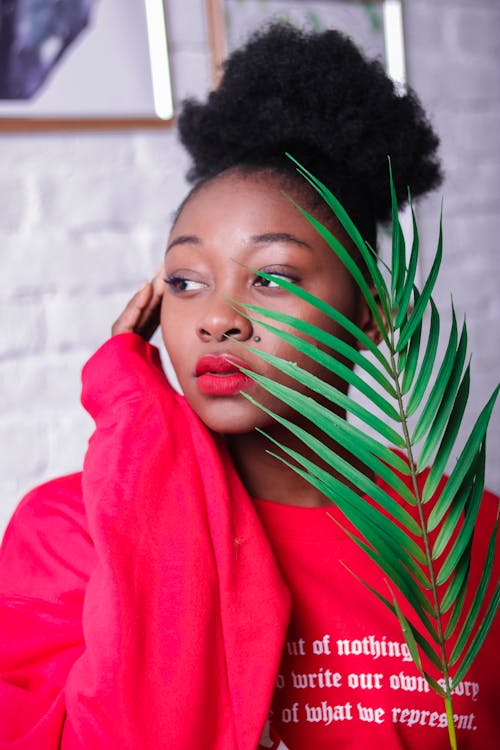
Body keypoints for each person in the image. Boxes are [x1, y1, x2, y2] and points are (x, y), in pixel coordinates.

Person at [0, 23, 498, 750]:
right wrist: (137, 421)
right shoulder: (69, 534)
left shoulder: (467, 535)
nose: (219, 319)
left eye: (272, 277)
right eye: (185, 281)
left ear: (374, 313)